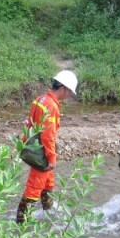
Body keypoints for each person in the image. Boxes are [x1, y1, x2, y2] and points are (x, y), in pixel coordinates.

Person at [16, 70, 78, 224]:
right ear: (63, 88)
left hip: (34, 146)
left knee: (48, 182)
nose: (69, 95)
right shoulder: (51, 105)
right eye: (69, 92)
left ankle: (48, 213)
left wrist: (24, 143)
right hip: (41, 152)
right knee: (34, 186)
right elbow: (48, 135)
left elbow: (29, 123)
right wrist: (52, 158)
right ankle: (20, 223)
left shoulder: (40, 99)